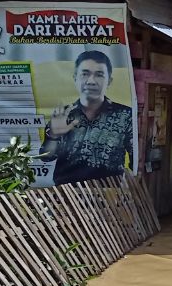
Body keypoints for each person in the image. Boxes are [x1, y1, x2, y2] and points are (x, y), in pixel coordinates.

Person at [40, 49, 134, 185]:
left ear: (109, 81)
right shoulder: (64, 115)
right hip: (68, 196)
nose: (91, 81)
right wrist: (53, 136)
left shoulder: (125, 115)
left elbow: (134, 158)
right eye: (85, 74)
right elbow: (46, 157)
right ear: (75, 78)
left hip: (110, 196)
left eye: (99, 75)